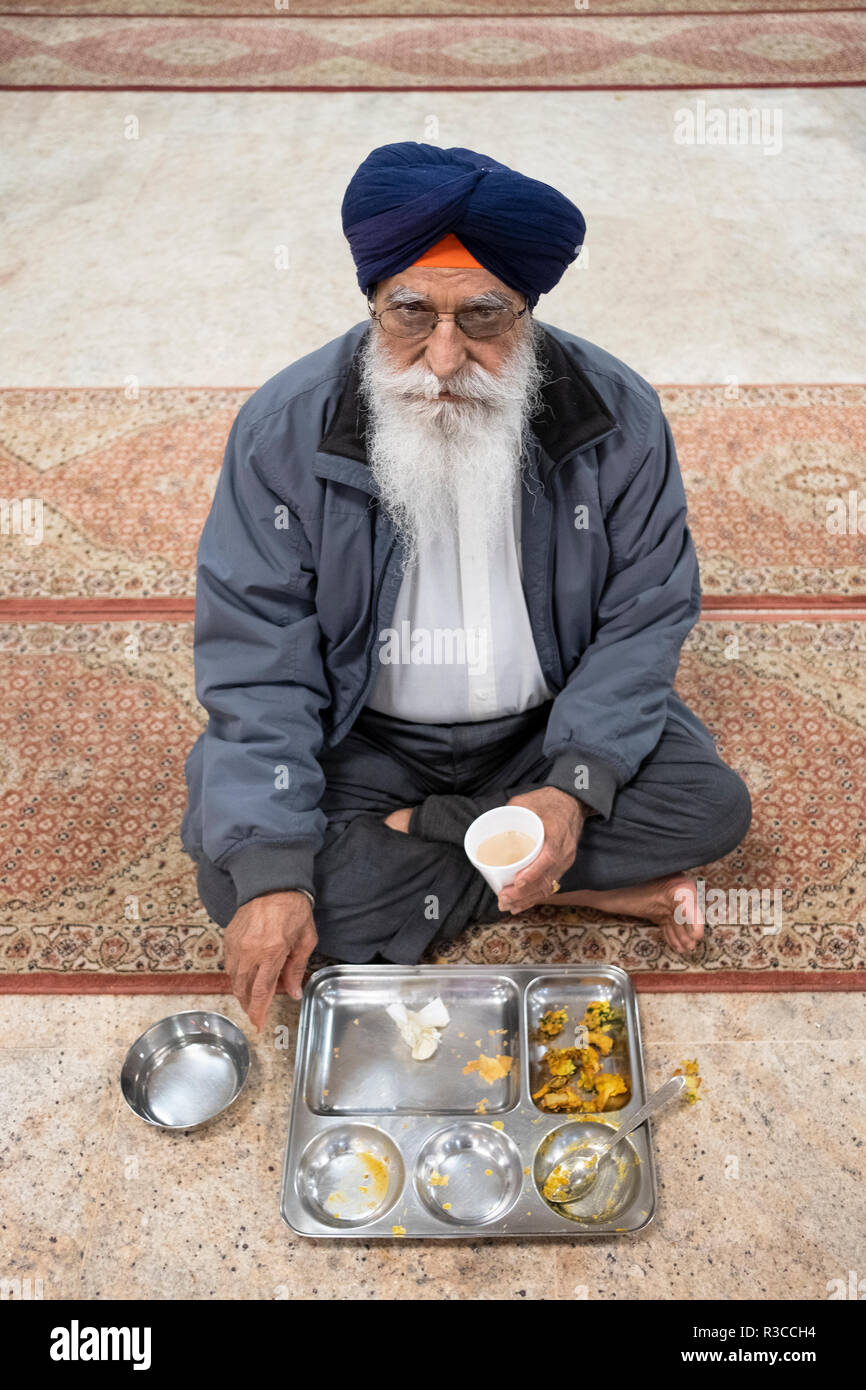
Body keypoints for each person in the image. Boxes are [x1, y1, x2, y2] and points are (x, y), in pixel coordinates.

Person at [180, 141, 752, 1029]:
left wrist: (572, 787)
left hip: (542, 733)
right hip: (364, 740)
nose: (444, 358)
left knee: (709, 808)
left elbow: (646, 617)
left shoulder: (618, 419)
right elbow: (257, 660)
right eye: (411, 313)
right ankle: (572, 885)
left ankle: (449, 843)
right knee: (246, 876)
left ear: (527, 309)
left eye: (483, 316)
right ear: (375, 302)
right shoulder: (281, 433)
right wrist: (276, 873)